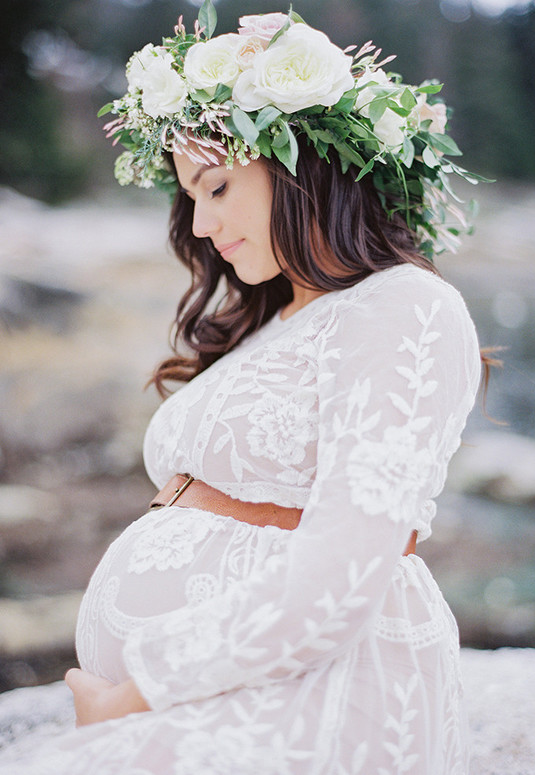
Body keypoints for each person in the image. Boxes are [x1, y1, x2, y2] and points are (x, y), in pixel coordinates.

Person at [0, 3, 489, 773]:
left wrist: (135, 693)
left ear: (299, 163)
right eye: (190, 196)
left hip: (317, 694)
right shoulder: (271, 323)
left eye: (217, 186)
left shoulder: (406, 305)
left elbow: (344, 568)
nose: (198, 224)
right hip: (224, 696)